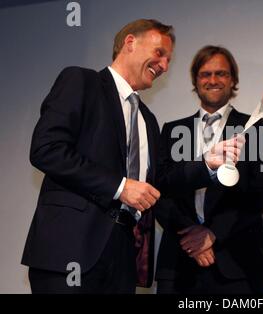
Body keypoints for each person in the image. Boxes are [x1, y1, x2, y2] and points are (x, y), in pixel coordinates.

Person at [21, 19, 175, 293]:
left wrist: (208, 163)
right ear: (130, 42)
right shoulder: (81, 81)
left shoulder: (148, 120)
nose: (164, 65)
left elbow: (161, 181)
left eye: (168, 60)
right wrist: (120, 187)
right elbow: (47, 149)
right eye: (159, 53)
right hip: (71, 250)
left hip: (123, 255)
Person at [154, 45, 263, 294]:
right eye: (205, 74)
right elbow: (160, 190)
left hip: (238, 261)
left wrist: (212, 234)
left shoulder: (255, 127)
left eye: (221, 73)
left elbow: (259, 194)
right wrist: (191, 236)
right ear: (196, 81)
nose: (213, 80)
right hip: (179, 262)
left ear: (233, 80)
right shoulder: (172, 130)